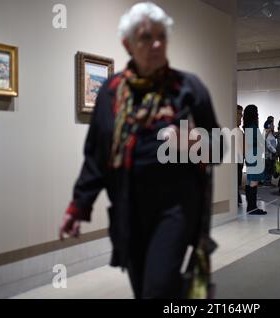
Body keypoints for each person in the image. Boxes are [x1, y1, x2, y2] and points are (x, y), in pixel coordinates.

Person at [59, 2, 222, 299]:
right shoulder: (111, 92)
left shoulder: (188, 88)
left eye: (162, 36)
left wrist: (196, 144)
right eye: (146, 37)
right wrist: (79, 206)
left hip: (175, 209)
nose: (156, 44)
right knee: (144, 288)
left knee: (157, 289)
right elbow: (96, 156)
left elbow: (222, 146)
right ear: (128, 44)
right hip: (127, 209)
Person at [243, 104, 267, 215]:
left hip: (251, 155)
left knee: (250, 181)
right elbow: (257, 142)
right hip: (254, 155)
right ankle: (252, 207)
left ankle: (251, 206)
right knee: (253, 181)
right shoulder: (253, 126)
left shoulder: (248, 126)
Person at [263, 121, 277, 186]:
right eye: (272, 125)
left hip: (272, 154)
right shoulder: (266, 133)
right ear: (268, 126)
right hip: (268, 154)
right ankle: (266, 181)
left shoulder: (271, 133)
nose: (274, 126)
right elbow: (268, 145)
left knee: (270, 167)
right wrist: (275, 151)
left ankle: (268, 181)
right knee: (268, 168)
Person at [236, 105, 244, 206]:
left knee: (237, 180)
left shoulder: (239, 131)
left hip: (239, 160)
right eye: (239, 114)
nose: (241, 118)